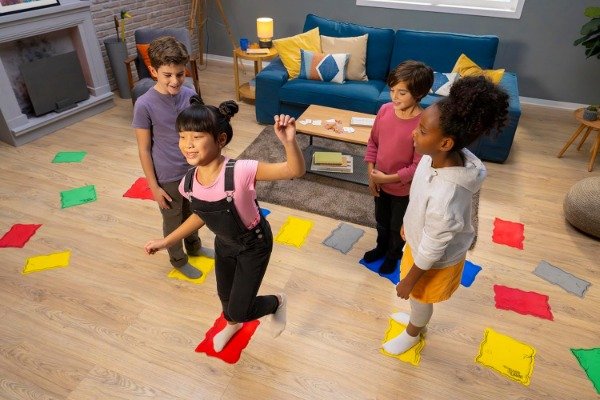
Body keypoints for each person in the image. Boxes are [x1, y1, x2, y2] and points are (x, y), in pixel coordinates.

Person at [144, 98, 306, 352]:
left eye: (197, 137)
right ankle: (232, 325)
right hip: (225, 244)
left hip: (254, 244)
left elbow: (293, 171)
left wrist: (289, 142)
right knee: (225, 296)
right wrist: (167, 241)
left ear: (220, 139)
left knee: (241, 309)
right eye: (182, 136)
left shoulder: (241, 170)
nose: (188, 144)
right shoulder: (189, 182)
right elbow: (200, 215)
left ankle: (276, 302)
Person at [382, 76, 509, 355]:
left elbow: (433, 247)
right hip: (420, 244)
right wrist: (409, 224)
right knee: (418, 300)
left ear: (445, 143)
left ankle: (414, 332)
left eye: (422, 130)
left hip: (433, 260)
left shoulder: (447, 195)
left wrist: (409, 280)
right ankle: (417, 320)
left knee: (420, 297)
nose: (414, 133)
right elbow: (419, 196)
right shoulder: (433, 158)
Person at [132, 36, 203, 279]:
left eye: (180, 74)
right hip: (168, 176)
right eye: (167, 75)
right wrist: (154, 187)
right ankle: (178, 259)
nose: (175, 81)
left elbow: (200, 131)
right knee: (173, 219)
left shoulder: (190, 94)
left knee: (194, 213)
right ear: (153, 71)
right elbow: (143, 149)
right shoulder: (144, 104)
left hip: (194, 171)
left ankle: (194, 247)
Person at [364, 61, 434, 274]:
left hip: (404, 191)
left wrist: (386, 178)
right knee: (381, 221)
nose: (394, 97)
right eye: (392, 90)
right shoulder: (385, 110)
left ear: (419, 93)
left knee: (397, 227)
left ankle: (393, 255)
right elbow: (373, 142)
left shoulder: (423, 125)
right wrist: (371, 175)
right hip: (380, 184)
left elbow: (418, 167)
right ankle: (381, 247)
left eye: (401, 93)